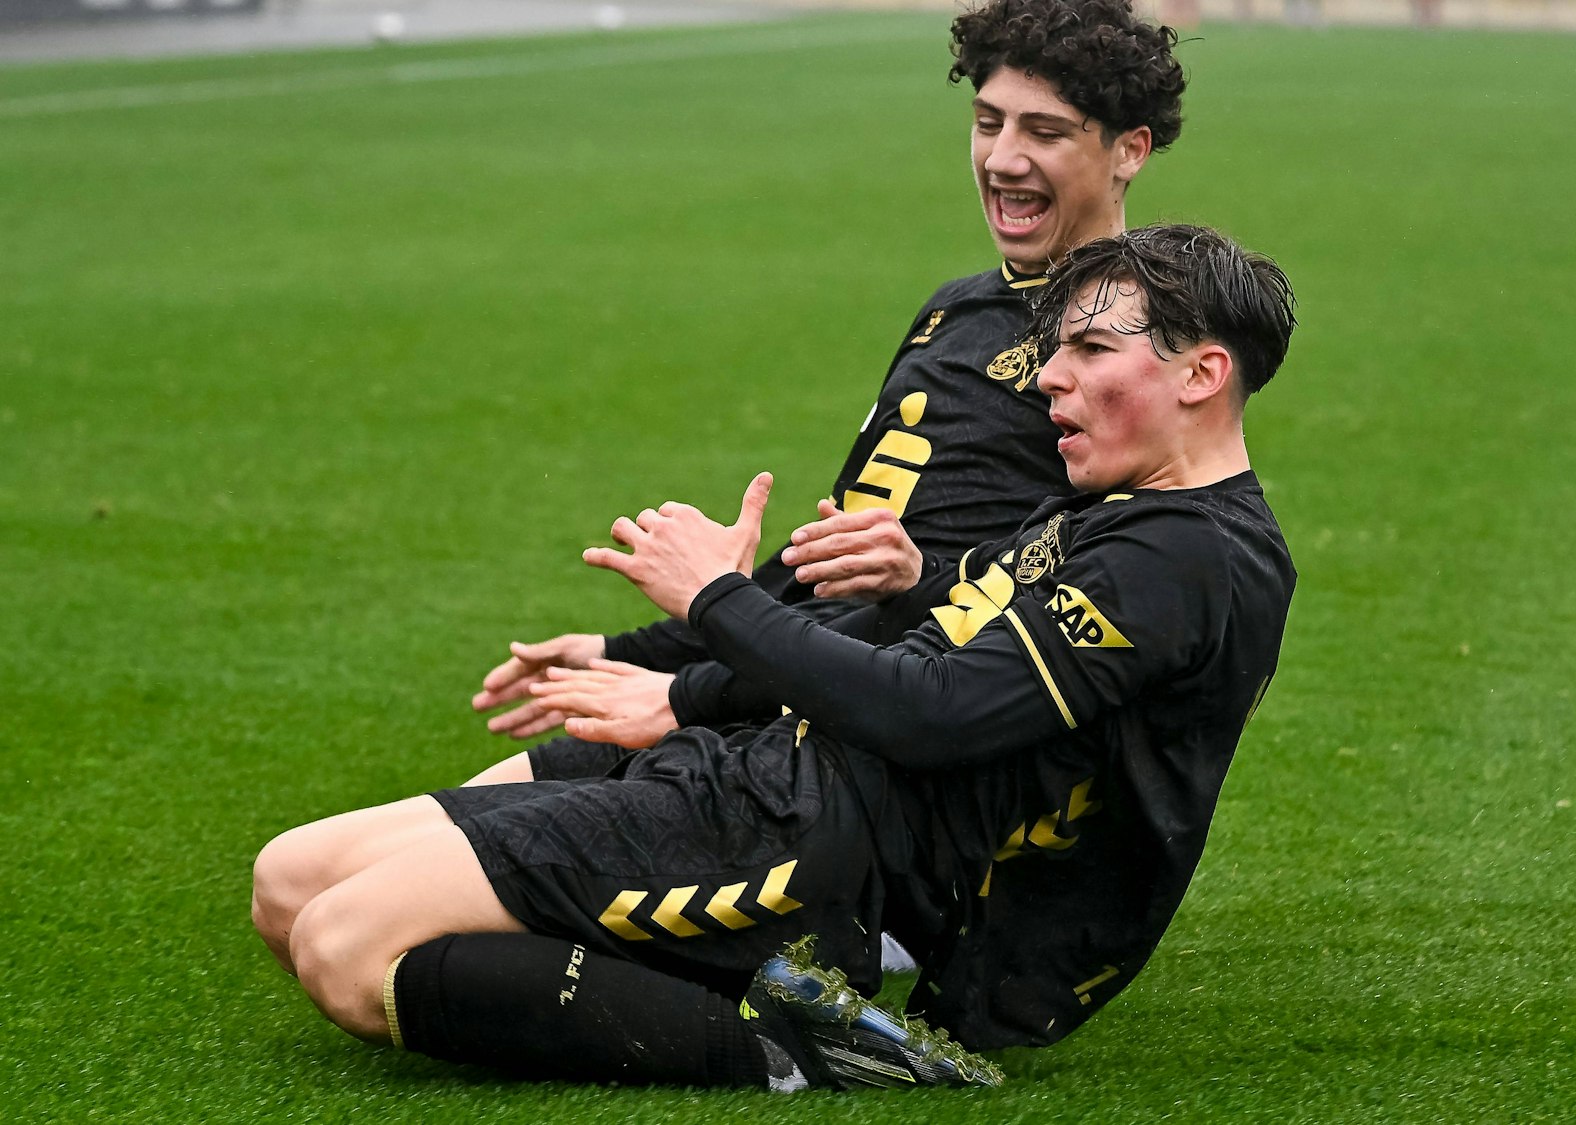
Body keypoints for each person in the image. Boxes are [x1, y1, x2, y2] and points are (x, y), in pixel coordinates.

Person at [250, 224, 1298, 1090]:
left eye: (1091, 350)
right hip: (769, 764)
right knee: (288, 884)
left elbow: (930, 711)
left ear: (1202, 373)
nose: (1053, 378)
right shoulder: (1121, 507)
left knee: (346, 950)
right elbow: (907, 637)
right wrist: (684, 689)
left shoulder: (1190, 557)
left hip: (810, 836)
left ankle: (788, 1044)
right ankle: (699, 980)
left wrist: (717, 599)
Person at [465, 0, 1189, 768]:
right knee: (437, 815)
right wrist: (629, 651)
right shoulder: (956, 308)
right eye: (987, 123)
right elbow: (831, 560)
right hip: (776, 684)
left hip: (870, 737)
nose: (1003, 159)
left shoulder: (1134, 348)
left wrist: (690, 687)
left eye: (1043, 133)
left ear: (1130, 150)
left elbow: (1071, 594)